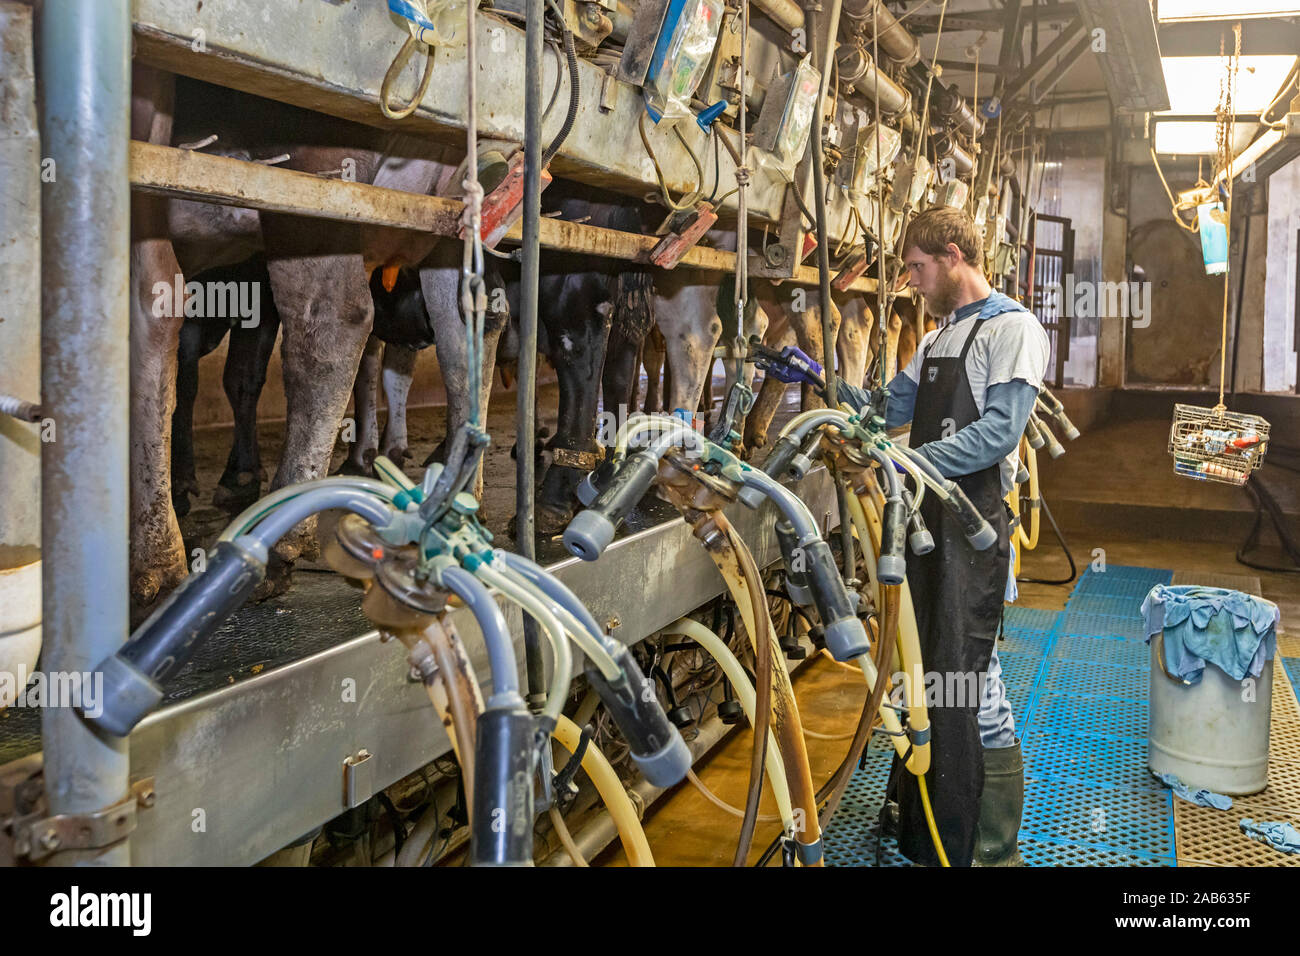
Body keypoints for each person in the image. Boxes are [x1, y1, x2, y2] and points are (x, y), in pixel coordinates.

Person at [882, 206, 1049, 866]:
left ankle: (990, 845)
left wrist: (908, 461)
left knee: (974, 689)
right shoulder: (938, 338)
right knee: (926, 677)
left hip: (973, 533)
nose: (912, 281)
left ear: (953, 256)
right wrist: (823, 396)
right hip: (929, 526)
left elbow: (999, 433)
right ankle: (927, 823)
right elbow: (890, 405)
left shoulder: (1012, 330)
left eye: (919, 268)